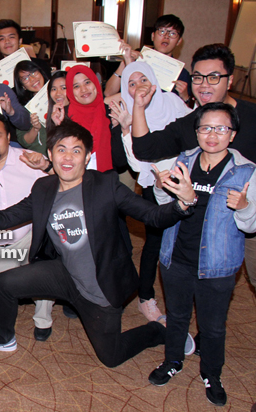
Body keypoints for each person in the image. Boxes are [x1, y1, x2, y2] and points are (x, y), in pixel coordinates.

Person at [0, 120, 194, 368]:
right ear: (50, 154)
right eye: (61, 149)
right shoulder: (44, 187)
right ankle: (1, 339)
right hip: (64, 272)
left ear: (87, 157)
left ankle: (158, 331)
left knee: (111, 357)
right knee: (4, 281)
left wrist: (182, 204)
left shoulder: (106, 185)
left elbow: (151, 216)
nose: (68, 157)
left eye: (76, 151)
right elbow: (5, 218)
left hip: (98, 287)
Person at [147, 103, 256, 407]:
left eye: (220, 128)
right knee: (177, 317)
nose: (212, 135)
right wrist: (160, 187)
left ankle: (212, 373)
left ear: (232, 134)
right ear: (196, 132)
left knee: (212, 326)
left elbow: (251, 225)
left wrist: (245, 206)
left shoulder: (246, 171)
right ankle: (172, 361)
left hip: (218, 264)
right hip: (177, 256)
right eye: (205, 127)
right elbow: (165, 205)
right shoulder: (184, 161)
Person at [131, 43, 256, 292]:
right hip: (204, 223)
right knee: (203, 284)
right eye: (198, 77)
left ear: (229, 80)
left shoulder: (252, 117)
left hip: (248, 215)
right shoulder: (191, 123)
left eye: (214, 77)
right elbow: (144, 149)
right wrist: (139, 107)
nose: (204, 85)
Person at [108, 61, 190, 322]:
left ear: (154, 80)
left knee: (187, 240)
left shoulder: (174, 103)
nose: (138, 86)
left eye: (144, 79)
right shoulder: (129, 114)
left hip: (187, 180)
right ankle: (145, 297)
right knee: (154, 243)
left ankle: (186, 296)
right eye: (131, 83)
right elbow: (134, 164)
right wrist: (124, 129)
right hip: (156, 186)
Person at [0, 113, 54, 339]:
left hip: (31, 234)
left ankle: (43, 320)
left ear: (9, 137)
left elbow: (65, 181)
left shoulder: (29, 159)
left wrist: (47, 166)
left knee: (46, 273)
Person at [105, 15, 191, 103]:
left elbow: (185, 112)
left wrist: (185, 97)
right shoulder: (137, 59)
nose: (166, 37)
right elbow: (108, 93)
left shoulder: (182, 74)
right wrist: (125, 63)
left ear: (179, 41)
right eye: (162, 31)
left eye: (173, 33)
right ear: (153, 36)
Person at [63, 65, 114, 172]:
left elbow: (120, 160)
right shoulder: (63, 116)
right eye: (76, 86)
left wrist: (120, 128)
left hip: (106, 178)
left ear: (95, 82)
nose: (84, 89)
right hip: (74, 178)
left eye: (87, 82)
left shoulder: (111, 112)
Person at [13, 60, 50, 154]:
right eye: (25, 78)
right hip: (41, 158)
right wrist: (35, 128)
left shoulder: (59, 94)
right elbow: (24, 141)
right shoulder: (24, 109)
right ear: (23, 87)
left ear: (41, 72)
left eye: (34, 72)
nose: (32, 79)